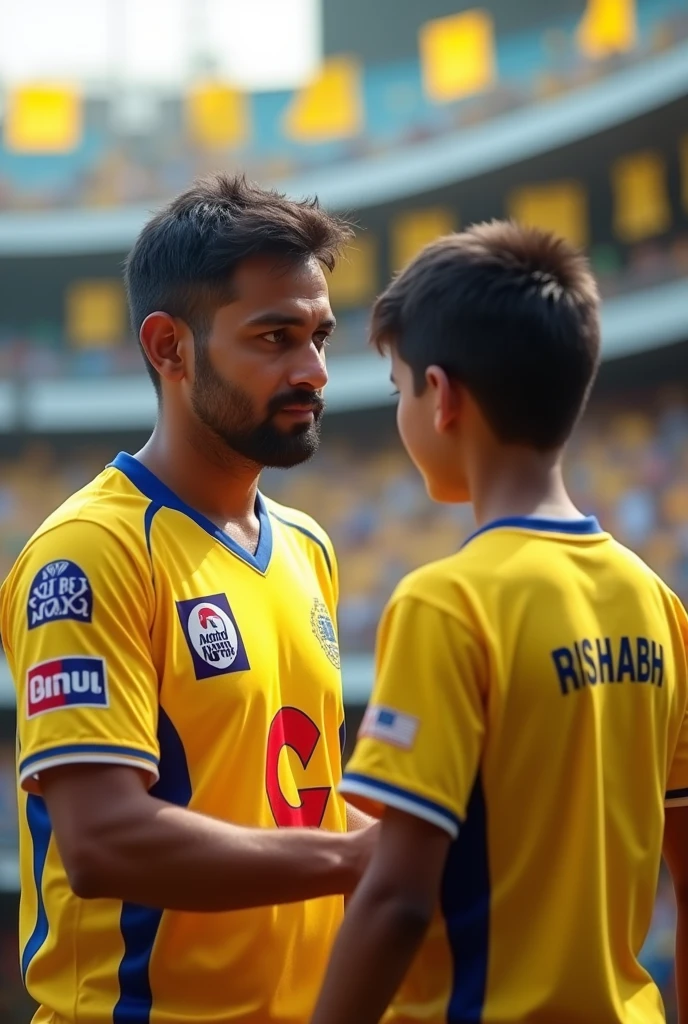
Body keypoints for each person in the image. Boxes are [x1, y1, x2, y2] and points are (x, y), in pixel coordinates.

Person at [0, 173, 375, 1024]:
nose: (313, 370)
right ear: (169, 347)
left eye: (319, 336)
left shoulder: (309, 547)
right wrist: (364, 860)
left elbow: (292, 796)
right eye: (275, 337)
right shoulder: (90, 550)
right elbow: (103, 842)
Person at [310, 221, 688, 1024]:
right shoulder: (657, 603)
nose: (401, 410)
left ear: (441, 397)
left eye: (398, 387)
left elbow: (398, 900)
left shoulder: (446, 603)